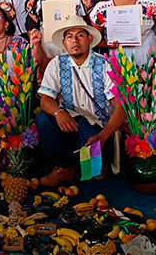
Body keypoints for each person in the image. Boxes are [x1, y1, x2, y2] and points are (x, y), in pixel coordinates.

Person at [36, 16, 125, 187]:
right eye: (69, 37)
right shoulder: (57, 64)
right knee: (43, 119)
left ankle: (99, 163)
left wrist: (103, 136)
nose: (74, 41)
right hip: (69, 124)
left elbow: (120, 106)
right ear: (64, 42)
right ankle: (64, 168)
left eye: (80, 35)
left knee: (96, 174)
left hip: (98, 129)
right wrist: (58, 112)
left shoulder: (105, 64)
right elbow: (46, 99)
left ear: (89, 39)